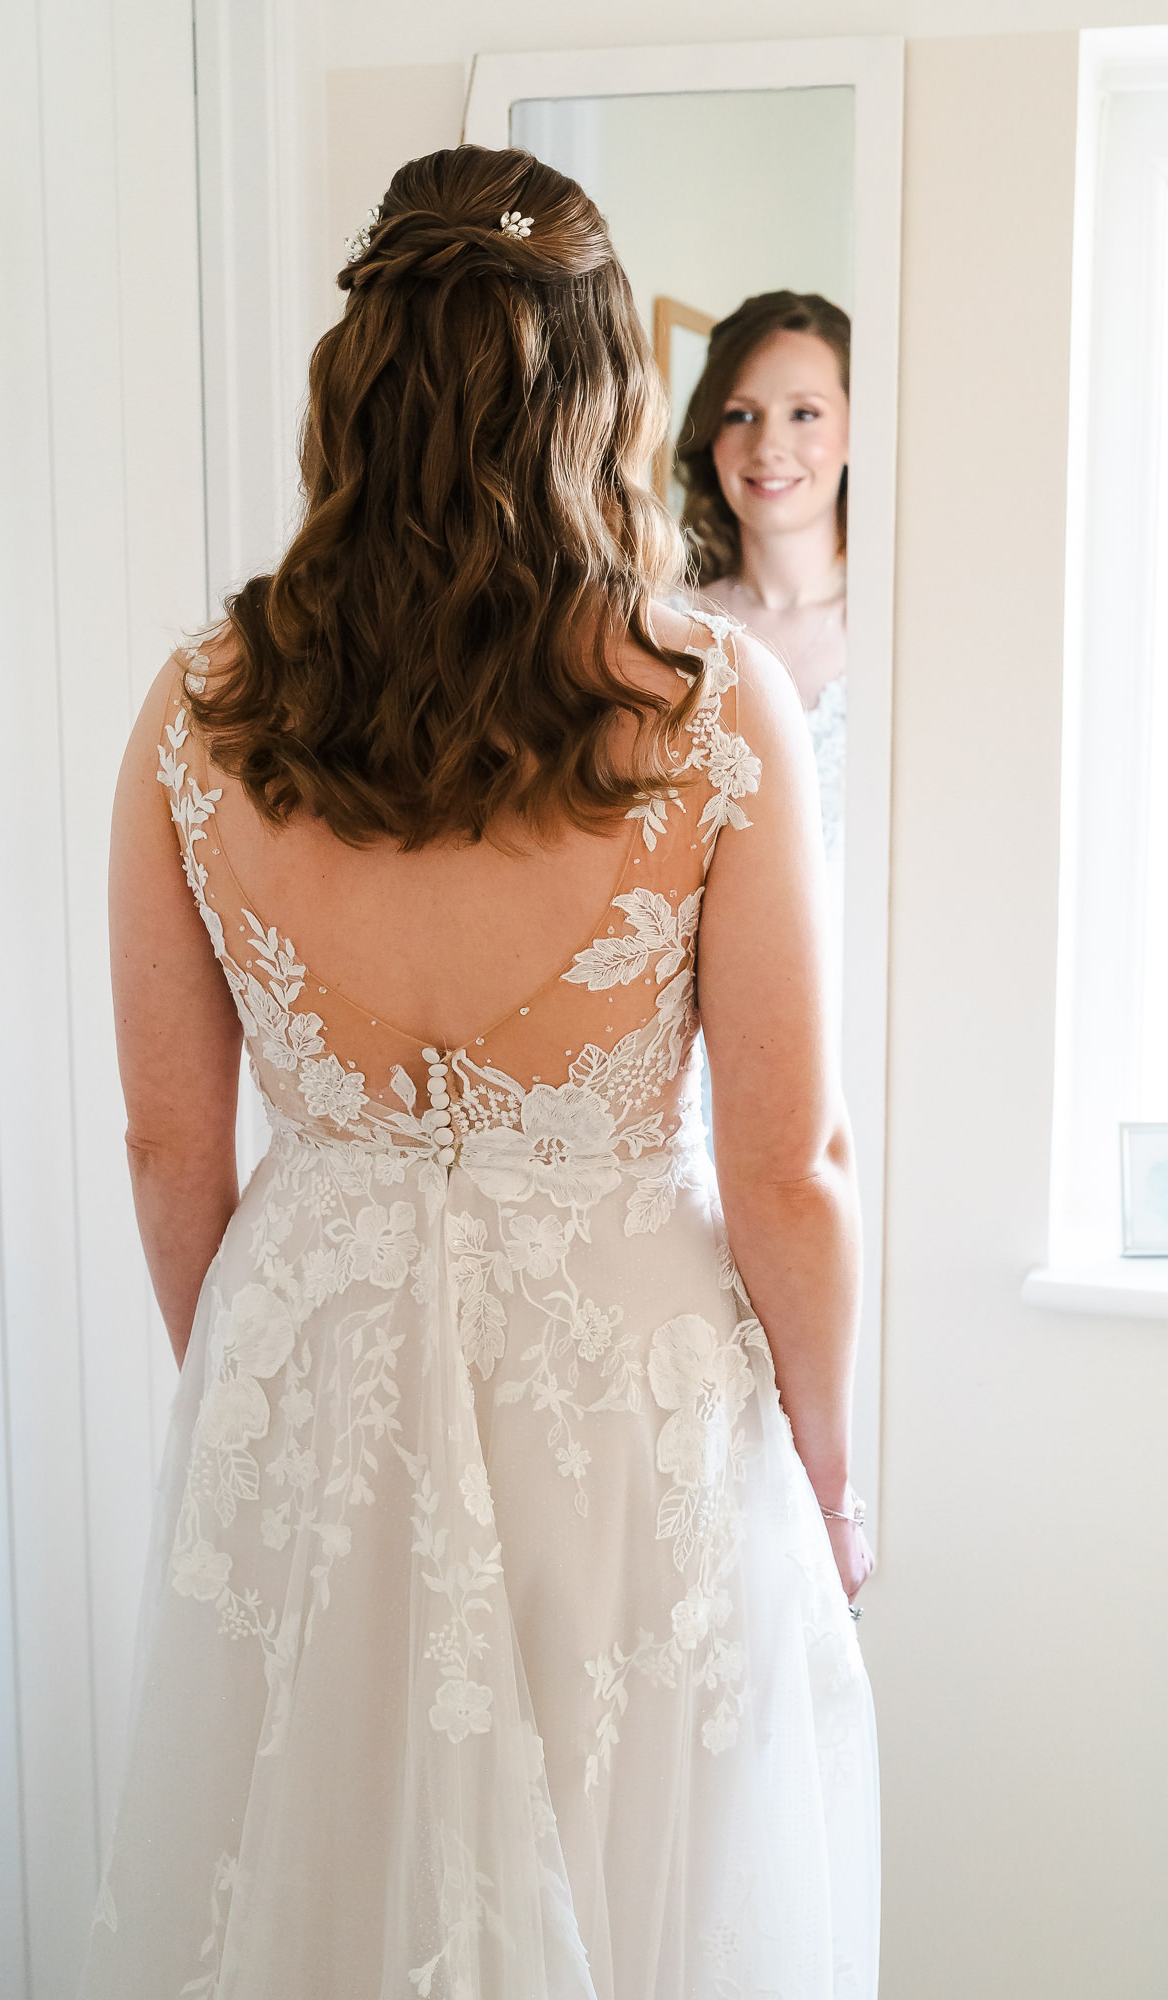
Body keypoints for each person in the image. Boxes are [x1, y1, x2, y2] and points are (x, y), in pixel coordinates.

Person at [82, 147, 877, 1999]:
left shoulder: (202, 707)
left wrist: (265, 1388)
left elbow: (168, 1145)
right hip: (620, 1396)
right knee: (634, 1869)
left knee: (316, 1887)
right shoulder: (710, 701)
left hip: (318, 1370)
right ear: (607, 392)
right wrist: (833, 1477)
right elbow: (792, 1169)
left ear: (354, 383)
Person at [676, 293, 850, 936]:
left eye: (804, 414)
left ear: (856, 430)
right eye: (741, 414)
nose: (769, 445)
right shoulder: (669, 630)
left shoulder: (905, 633)